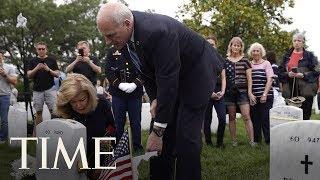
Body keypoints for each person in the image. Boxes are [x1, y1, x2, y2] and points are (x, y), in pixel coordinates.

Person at [96, 2, 221, 179]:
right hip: (172, 74)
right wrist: (155, 98)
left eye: (110, 35)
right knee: (163, 134)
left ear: (126, 23)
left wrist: (157, 130)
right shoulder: (125, 37)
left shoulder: (157, 32)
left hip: (197, 72)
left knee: (186, 135)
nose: (107, 41)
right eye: (104, 36)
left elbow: (168, 80)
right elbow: (146, 72)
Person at [55, 73, 115, 179]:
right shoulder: (64, 110)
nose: (78, 105)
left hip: (99, 158)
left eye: (82, 100)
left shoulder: (101, 104)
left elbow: (112, 133)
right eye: (73, 102)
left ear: (89, 95)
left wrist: (101, 166)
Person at [106, 47, 144, 152]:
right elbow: (108, 71)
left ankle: (137, 147)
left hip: (135, 92)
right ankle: (119, 148)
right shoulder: (112, 50)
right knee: (118, 122)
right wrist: (119, 84)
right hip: (118, 93)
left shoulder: (136, 48)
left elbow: (144, 69)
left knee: (136, 121)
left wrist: (135, 84)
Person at [279, 32, 319, 120]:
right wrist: (288, 74)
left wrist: (304, 75)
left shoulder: (310, 56)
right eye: (295, 40)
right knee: (291, 116)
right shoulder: (286, 56)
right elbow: (280, 73)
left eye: (299, 41)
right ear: (292, 42)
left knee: (305, 116)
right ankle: (293, 134)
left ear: (303, 42)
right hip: (289, 90)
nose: (297, 42)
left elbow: (316, 72)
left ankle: (305, 134)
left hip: (306, 91)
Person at [224, 37, 255, 147]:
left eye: (238, 45)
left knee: (246, 116)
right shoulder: (225, 60)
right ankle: (234, 141)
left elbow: (249, 78)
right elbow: (224, 78)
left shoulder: (245, 61)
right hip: (229, 93)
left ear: (241, 47)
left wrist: (250, 93)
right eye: (234, 45)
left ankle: (251, 141)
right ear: (230, 46)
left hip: (243, 92)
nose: (236, 47)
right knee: (232, 117)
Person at [27, 42, 60, 135]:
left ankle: (55, 133)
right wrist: (36, 68)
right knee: (38, 112)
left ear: (46, 50)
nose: (41, 50)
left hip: (50, 89)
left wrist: (48, 69)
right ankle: (39, 135)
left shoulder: (52, 60)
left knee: (54, 112)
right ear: (36, 50)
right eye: (39, 49)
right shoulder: (32, 61)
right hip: (37, 90)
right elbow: (29, 75)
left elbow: (57, 74)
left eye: (43, 49)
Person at [248, 43, 274, 145]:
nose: (255, 53)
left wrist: (264, 94)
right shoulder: (249, 64)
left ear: (261, 52)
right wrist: (250, 95)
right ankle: (257, 141)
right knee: (255, 119)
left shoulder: (266, 63)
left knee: (265, 119)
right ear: (251, 52)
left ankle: (268, 141)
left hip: (266, 96)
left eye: (257, 50)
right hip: (253, 97)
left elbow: (270, 79)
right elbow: (248, 81)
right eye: (253, 51)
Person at [203, 35, 226, 148]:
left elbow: (223, 77)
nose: (210, 46)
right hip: (206, 92)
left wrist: (222, 91)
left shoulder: (220, 59)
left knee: (222, 118)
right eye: (208, 44)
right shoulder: (201, 59)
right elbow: (201, 78)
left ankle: (220, 143)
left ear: (216, 46)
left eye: (212, 44)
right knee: (207, 119)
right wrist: (210, 92)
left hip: (219, 92)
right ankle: (208, 142)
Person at [0, 50, 18, 143]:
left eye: (0, 57)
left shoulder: (9, 67)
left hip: (4, 96)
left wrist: (4, 75)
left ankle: (2, 139)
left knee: (4, 120)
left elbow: (14, 81)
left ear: (2, 57)